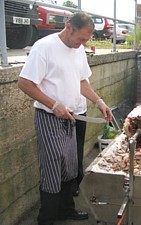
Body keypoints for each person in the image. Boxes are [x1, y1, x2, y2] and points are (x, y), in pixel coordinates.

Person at [18, 12, 112, 225]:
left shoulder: (78, 50)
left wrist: (99, 102)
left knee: (70, 166)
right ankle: (47, 218)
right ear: (69, 27)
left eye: (87, 40)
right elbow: (24, 83)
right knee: (52, 168)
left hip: (71, 116)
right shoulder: (44, 47)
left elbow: (82, 81)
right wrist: (53, 104)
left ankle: (66, 210)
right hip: (49, 117)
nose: (83, 44)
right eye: (81, 39)